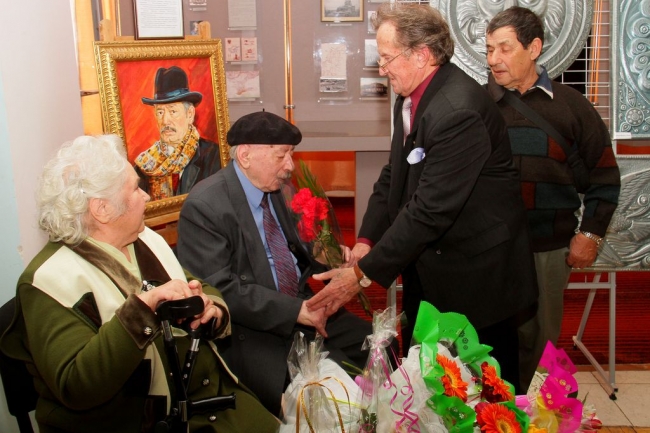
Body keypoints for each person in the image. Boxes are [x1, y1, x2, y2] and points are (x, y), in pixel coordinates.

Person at [305, 3, 538, 393]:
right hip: (432, 268)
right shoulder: (411, 98)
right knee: (429, 388)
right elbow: (394, 174)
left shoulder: (457, 110)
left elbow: (430, 211)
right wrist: (366, 240)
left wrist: (359, 277)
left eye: (386, 58)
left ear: (422, 54)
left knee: (483, 397)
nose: (382, 69)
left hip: (477, 281)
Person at [0, 135, 278, 433]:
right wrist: (143, 310)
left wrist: (211, 307)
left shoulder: (143, 238)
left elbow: (194, 284)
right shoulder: (48, 280)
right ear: (102, 209)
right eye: (135, 188)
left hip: (206, 401)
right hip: (140, 422)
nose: (146, 196)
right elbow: (77, 385)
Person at [176, 111, 376, 416]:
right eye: (281, 155)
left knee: (377, 345)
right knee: (327, 397)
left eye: (291, 154)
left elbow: (295, 248)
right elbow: (220, 289)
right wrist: (296, 311)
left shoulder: (276, 188)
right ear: (245, 156)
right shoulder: (205, 206)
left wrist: (325, 255)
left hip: (301, 303)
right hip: (253, 327)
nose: (290, 166)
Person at [485, 6, 620, 392]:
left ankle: (534, 413)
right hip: (490, 251)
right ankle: (493, 412)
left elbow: (605, 177)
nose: (494, 59)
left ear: (534, 48)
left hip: (547, 249)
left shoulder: (572, 107)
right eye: (489, 49)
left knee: (540, 343)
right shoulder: (477, 106)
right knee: (489, 342)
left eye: (505, 48)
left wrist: (590, 235)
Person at [135, 66, 221, 201]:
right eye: (160, 112)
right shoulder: (144, 165)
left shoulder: (214, 156)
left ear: (190, 114)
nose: (165, 121)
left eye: (173, 111)